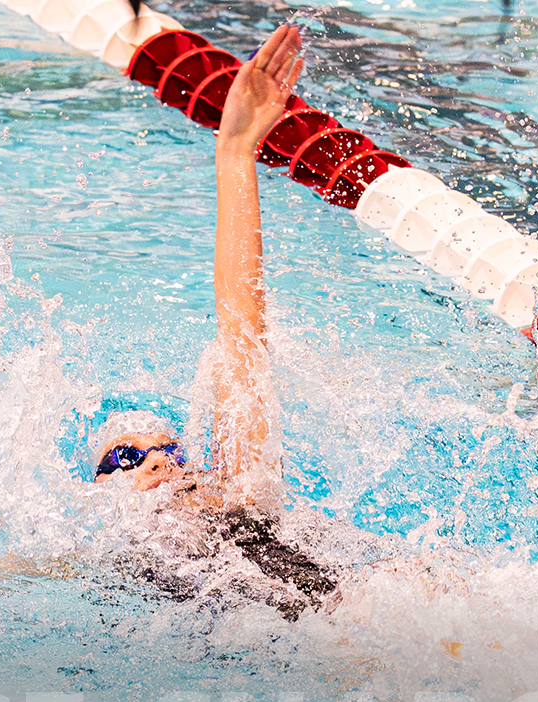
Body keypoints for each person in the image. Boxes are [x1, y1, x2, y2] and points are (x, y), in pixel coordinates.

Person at [87, 25, 351, 620]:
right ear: (93, 494)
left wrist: (235, 153)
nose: (157, 463)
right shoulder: (95, 553)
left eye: (171, 454)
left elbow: (242, 337)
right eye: (124, 461)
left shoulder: (241, 503)